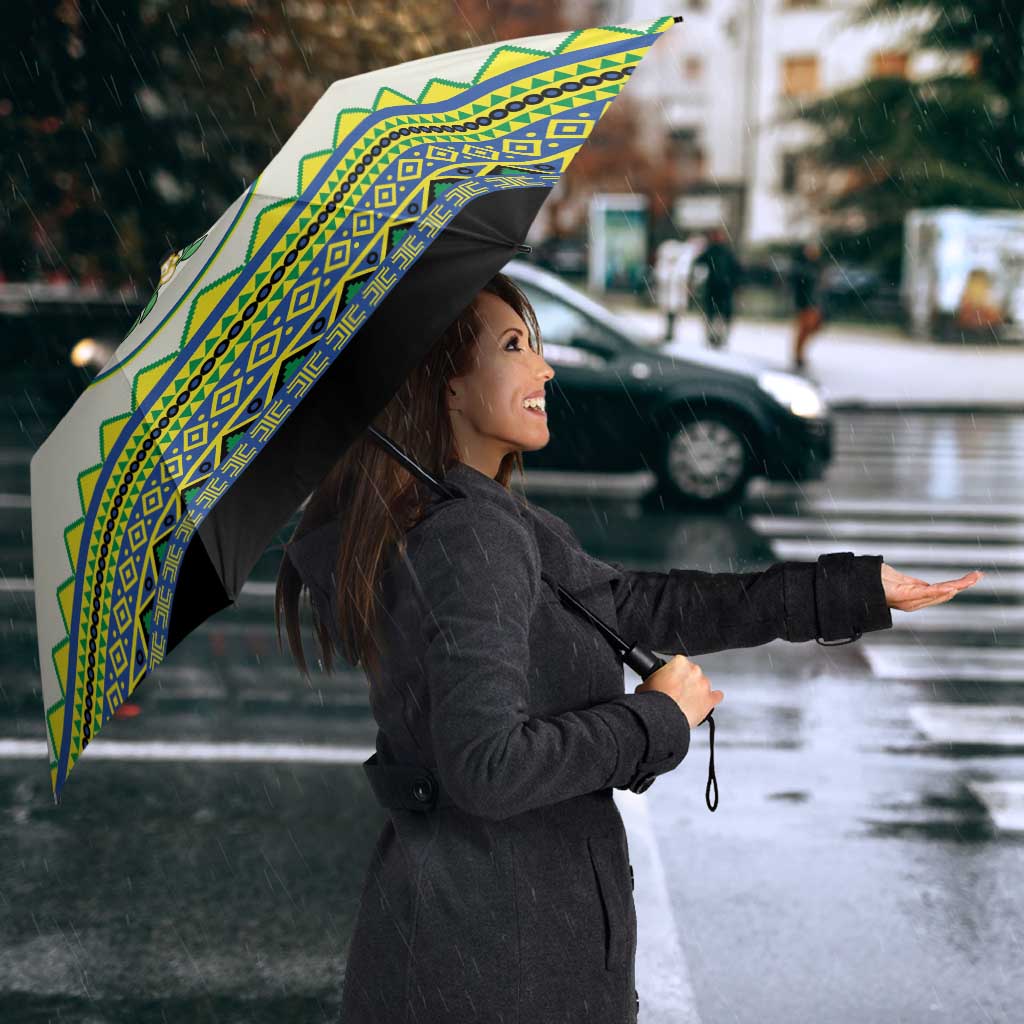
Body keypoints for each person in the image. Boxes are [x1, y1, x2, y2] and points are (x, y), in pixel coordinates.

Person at [276, 271, 978, 1024]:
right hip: (498, 962)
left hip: (477, 942)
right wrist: (655, 719)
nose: (544, 368)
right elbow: (487, 767)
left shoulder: (475, 517)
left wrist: (850, 591)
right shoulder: (469, 536)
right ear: (445, 386)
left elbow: (640, 605)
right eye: (514, 346)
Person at [692, 226, 742, 349]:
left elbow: (736, 270)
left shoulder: (725, 252)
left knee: (720, 315)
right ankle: (713, 337)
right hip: (715, 288)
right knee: (713, 314)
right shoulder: (712, 251)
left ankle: (719, 337)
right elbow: (698, 264)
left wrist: (735, 284)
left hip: (723, 288)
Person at [790, 239, 826, 370]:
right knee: (804, 329)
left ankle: (799, 354)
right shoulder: (802, 267)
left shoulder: (817, 266)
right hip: (805, 303)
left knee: (812, 328)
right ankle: (798, 355)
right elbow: (799, 286)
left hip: (814, 303)